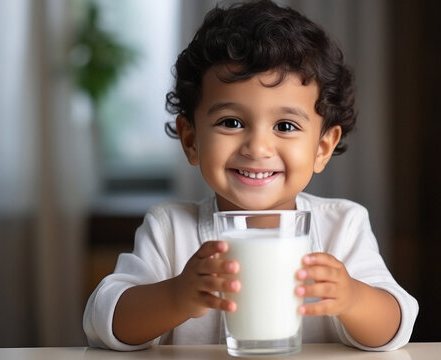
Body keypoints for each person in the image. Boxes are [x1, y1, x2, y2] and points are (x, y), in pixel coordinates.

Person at [83, 0, 418, 352]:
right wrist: (176, 295)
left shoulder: (342, 226)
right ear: (191, 139)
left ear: (322, 147)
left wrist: (353, 298)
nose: (258, 148)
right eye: (232, 122)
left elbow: (396, 325)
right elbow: (102, 319)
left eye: (285, 126)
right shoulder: (170, 229)